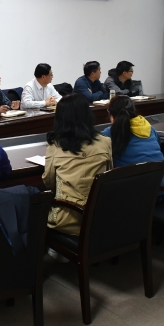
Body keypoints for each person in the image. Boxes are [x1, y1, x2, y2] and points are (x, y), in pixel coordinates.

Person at [43, 93, 112, 235]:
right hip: (99, 216)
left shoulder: (55, 145)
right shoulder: (105, 142)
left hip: (66, 219)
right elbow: (109, 174)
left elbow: (49, 182)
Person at [102, 96, 164, 200]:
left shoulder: (110, 133)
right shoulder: (148, 127)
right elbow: (158, 145)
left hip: (142, 196)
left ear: (111, 115)